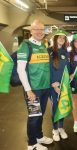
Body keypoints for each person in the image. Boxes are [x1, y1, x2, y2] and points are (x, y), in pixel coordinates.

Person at [17, 19, 53, 150]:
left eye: (41, 29)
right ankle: (32, 144)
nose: (39, 32)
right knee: (34, 116)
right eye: (36, 29)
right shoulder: (26, 45)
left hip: (45, 88)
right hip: (33, 89)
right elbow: (20, 70)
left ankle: (39, 136)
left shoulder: (43, 45)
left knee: (40, 115)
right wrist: (28, 90)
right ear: (31, 31)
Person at [48, 29, 69, 141]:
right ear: (55, 39)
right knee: (55, 108)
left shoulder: (66, 52)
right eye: (59, 37)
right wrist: (54, 85)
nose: (61, 39)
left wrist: (70, 75)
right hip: (53, 87)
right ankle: (55, 129)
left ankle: (61, 127)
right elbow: (47, 70)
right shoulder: (49, 51)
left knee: (62, 106)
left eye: (63, 37)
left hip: (63, 85)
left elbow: (68, 68)